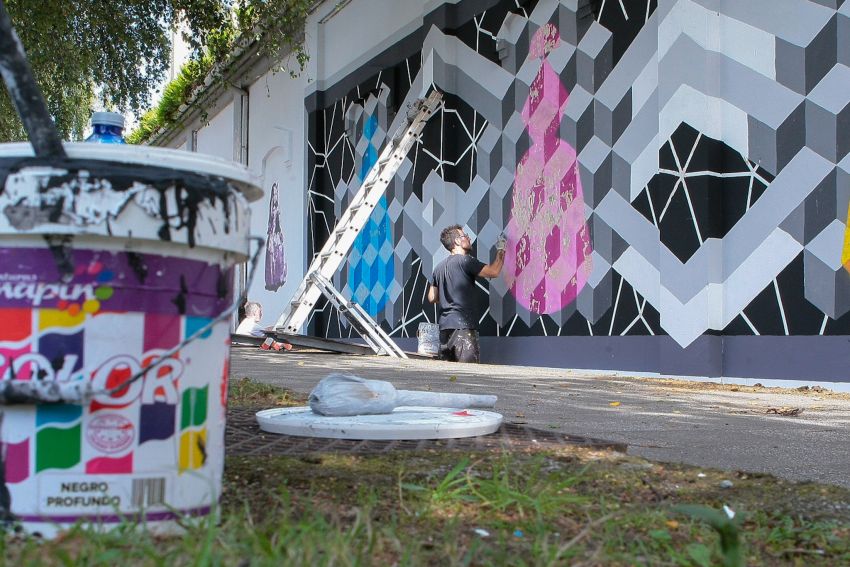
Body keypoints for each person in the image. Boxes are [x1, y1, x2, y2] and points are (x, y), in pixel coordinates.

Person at [427, 225, 505, 363]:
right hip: (463, 328)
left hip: (445, 329)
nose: (469, 238)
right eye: (465, 236)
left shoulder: (438, 268)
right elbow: (494, 272)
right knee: (467, 376)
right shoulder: (466, 261)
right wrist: (501, 249)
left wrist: (448, 296)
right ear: (457, 241)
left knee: (448, 376)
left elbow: (432, 297)